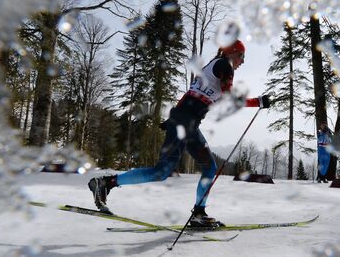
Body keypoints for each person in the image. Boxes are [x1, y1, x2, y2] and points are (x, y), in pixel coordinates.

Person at [88, 39, 270, 227]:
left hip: (187, 124)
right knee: (161, 171)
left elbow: (190, 92)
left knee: (209, 168)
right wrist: (257, 102)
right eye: (242, 56)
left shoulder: (213, 65)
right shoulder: (225, 65)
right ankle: (106, 183)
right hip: (185, 123)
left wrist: (174, 117)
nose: (243, 61)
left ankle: (199, 213)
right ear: (232, 52)